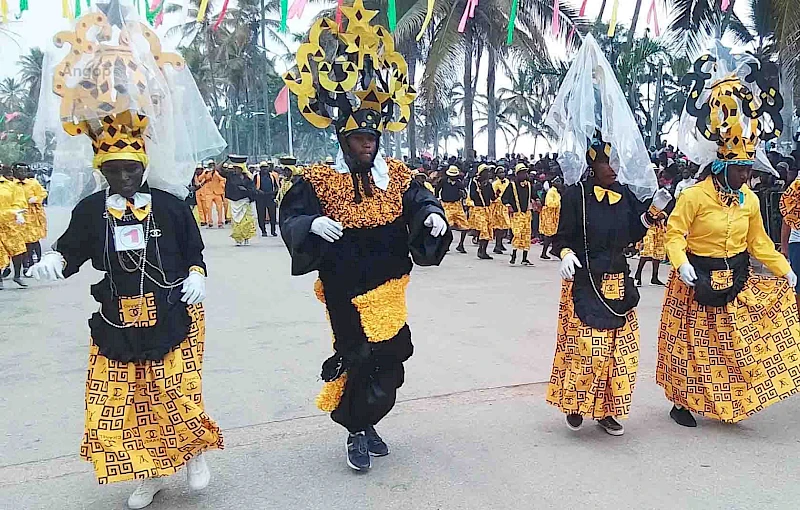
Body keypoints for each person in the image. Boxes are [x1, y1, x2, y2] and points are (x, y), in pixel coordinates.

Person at [28, 5, 226, 508]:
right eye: (115, 170)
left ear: (144, 164)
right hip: (119, 318)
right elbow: (71, 252)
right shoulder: (93, 209)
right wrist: (55, 263)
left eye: (132, 169)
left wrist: (198, 276)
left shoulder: (172, 206)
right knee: (130, 402)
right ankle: (148, 474)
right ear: (103, 168)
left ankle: (194, 454)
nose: (125, 178)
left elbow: (195, 252)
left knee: (176, 394)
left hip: (174, 310)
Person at [279, 1, 451, 472]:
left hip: (390, 283)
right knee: (357, 354)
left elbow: (421, 200)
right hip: (344, 286)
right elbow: (290, 215)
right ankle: (356, 429)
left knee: (392, 356)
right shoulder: (317, 179)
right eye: (358, 140)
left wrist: (434, 215)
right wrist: (308, 224)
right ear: (343, 140)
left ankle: (367, 418)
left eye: (372, 140)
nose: (366, 146)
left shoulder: (396, 176)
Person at [658, 49, 800, 428]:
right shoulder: (693, 196)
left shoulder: (750, 200)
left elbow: (760, 243)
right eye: (740, 169)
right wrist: (682, 263)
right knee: (692, 348)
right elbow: (674, 235)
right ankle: (682, 403)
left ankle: (728, 402)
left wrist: (783, 269)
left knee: (732, 345)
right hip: (695, 278)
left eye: (749, 169)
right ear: (722, 166)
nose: (747, 175)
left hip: (733, 276)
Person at [543, 34, 666, 436]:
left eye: (615, 161)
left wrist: (653, 214)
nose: (614, 167)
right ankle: (576, 403)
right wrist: (563, 255)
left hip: (618, 277)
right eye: (606, 162)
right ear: (592, 163)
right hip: (584, 279)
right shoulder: (574, 195)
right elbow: (559, 237)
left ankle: (611, 410)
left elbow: (635, 232)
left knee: (619, 354)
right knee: (586, 351)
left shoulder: (626, 195)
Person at [13, 162, 48, 273]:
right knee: (20, 241)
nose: (23, 173)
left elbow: (43, 193)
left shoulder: (33, 183)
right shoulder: (11, 184)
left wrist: (36, 199)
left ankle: (34, 262)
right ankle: (24, 264)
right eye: (20, 171)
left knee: (33, 240)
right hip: (18, 216)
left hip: (32, 215)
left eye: (24, 171)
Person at [0, 164, 29, 288]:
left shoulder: (13, 186)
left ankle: (17, 275)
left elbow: (20, 201)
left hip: (11, 223)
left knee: (18, 250)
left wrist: (16, 213)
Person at [501, 163, 533, 265]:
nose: (524, 175)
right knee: (517, 234)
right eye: (522, 173)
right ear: (517, 174)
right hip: (517, 214)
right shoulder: (512, 185)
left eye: (525, 173)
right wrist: (508, 205)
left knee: (527, 236)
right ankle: (513, 255)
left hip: (527, 214)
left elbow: (534, 195)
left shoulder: (528, 184)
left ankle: (524, 258)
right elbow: (503, 198)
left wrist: (536, 200)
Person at [225, 156, 257, 245]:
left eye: (237, 168)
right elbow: (218, 170)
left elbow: (253, 190)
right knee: (236, 221)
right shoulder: (231, 176)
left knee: (246, 221)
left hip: (245, 202)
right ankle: (238, 239)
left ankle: (246, 238)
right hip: (235, 202)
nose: (235, 170)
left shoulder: (248, 178)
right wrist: (226, 159)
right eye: (234, 168)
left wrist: (245, 190)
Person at [437, 165, 469, 253]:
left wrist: (464, 197)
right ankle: (445, 245)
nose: (453, 177)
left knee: (465, 226)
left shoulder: (459, 183)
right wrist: (437, 200)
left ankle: (461, 245)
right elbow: (437, 190)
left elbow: (465, 193)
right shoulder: (443, 181)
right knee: (447, 226)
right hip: (446, 205)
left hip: (457, 205)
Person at [469, 163, 495, 259]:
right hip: (479, 209)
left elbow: (492, 196)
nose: (488, 174)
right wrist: (480, 189)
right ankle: (480, 249)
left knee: (488, 230)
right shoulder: (475, 183)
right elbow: (472, 196)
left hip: (487, 209)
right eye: (486, 172)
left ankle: (484, 250)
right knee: (483, 229)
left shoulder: (488, 184)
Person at [255, 161, 280, 237]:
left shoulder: (272, 176)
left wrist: (274, 192)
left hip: (270, 197)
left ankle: (273, 231)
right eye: (263, 168)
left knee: (273, 215)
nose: (264, 169)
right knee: (261, 215)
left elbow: (277, 186)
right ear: (260, 169)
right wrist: (258, 191)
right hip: (260, 198)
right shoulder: (257, 176)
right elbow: (253, 187)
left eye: (266, 167)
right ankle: (263, 230)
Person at [538, 179, 561, 259]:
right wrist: (558, 202)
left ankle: (553, 250)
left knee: (555, 233)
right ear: (553, 183)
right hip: (549, 215)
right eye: (557, 181)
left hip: (554, 215)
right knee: (549, 234)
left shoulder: (556, 192)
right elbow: (550, 204)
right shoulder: (551, 192)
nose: (559, 183)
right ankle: (543, 253)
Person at [491, 168, 511, 254]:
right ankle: (497, 245)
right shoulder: (495, 184)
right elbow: (493, 196)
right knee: (499, 227)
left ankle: (500, 243)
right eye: (500, 173)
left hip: (506, 206)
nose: (502, 174)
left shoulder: (507, 182)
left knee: (505, 226)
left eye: (503, 172)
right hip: (497, 207)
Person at [201, 161, 226, 228]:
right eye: (210, 165)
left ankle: (220, 222)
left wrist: (221, 186)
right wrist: (204, 173)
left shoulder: (217, 173)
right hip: (209, 192)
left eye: (213, 165)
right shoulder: (206, 172)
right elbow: (200, 178)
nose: (211, 166)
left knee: (219, 208)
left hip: (217, 192)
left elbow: (222, 179)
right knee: (208, 208)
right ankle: (210, 222)